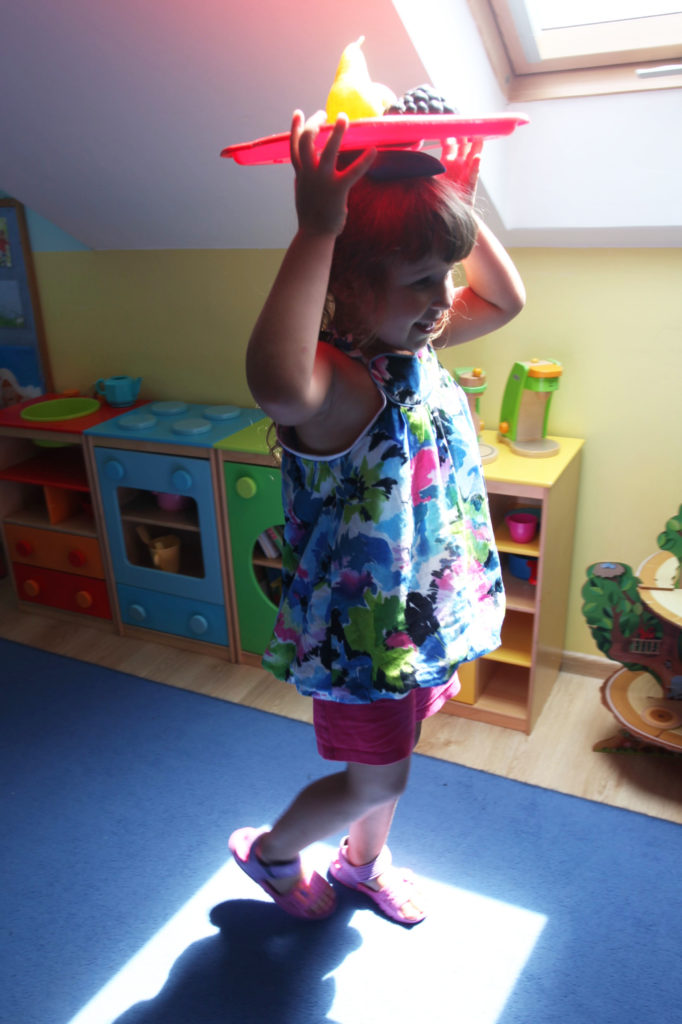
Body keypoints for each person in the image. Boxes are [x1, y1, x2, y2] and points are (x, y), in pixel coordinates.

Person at [229, 108, 526, 925]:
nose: (445, 297)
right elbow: (274, 382)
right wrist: (316, 230)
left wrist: (453, 197)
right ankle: (273, 854)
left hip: (415, 624)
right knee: (378, 775)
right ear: (353, 286)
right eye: (422, 279)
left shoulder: (413, 347)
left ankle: (361, 865)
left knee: (395, 759)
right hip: (360, 637)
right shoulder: (333, 383)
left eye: (447, 274)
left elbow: (506, 300)